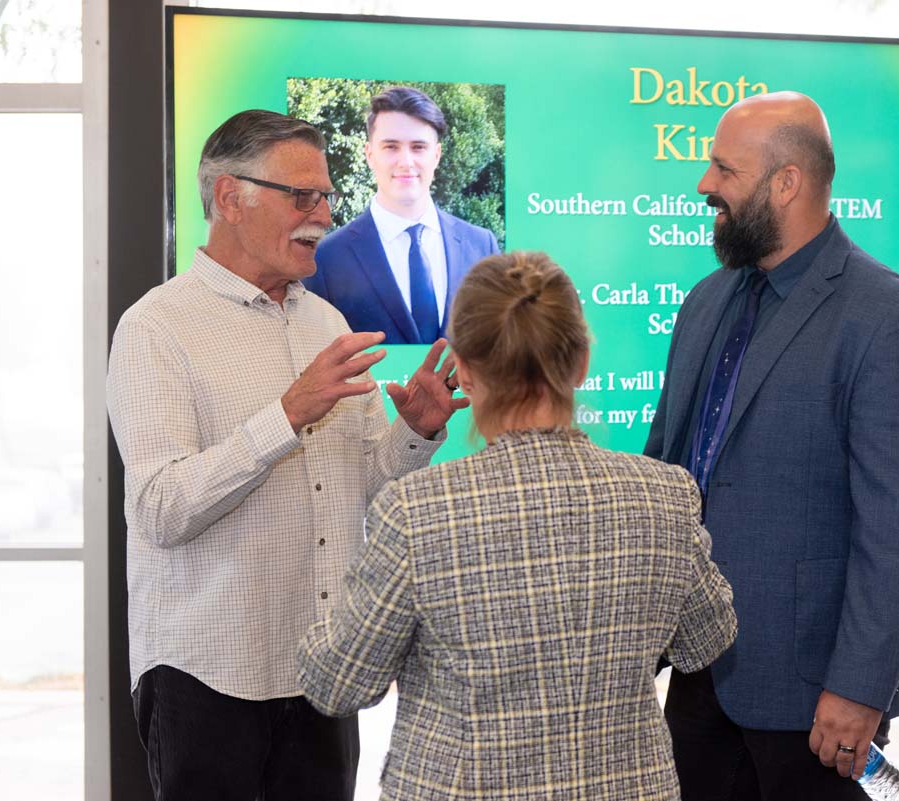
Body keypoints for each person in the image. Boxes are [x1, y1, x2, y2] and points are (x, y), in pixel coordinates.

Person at [106, 109, 469, 801]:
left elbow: (363, 481)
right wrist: (285, 415)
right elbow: (158, 509)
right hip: (207, 676)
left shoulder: (325, 322)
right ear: (230, 198)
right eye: (302, 196)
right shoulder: (157, 327)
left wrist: (413, 433)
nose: (324, 215)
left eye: (327, 196)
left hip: (320, 673)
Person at [298, 251, 738, 801]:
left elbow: (337, 683)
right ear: (580, 363)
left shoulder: (419, 510)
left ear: (466, 370)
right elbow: (708, 639)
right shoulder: (665, 495)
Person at [644, 91, 899, 800]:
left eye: (723, 169)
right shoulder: (704, 302)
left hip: (817, 697)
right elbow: (666, 473)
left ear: (786, 182)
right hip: (697, 677)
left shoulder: (894, 319)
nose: (704, 186)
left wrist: (857, 686)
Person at [304, 85, 500, 344]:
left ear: (437, 155)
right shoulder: (326, 259)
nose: (406, 161)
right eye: (391, 147)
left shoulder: (481, 246)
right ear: (369, 154)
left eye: (418, 147)